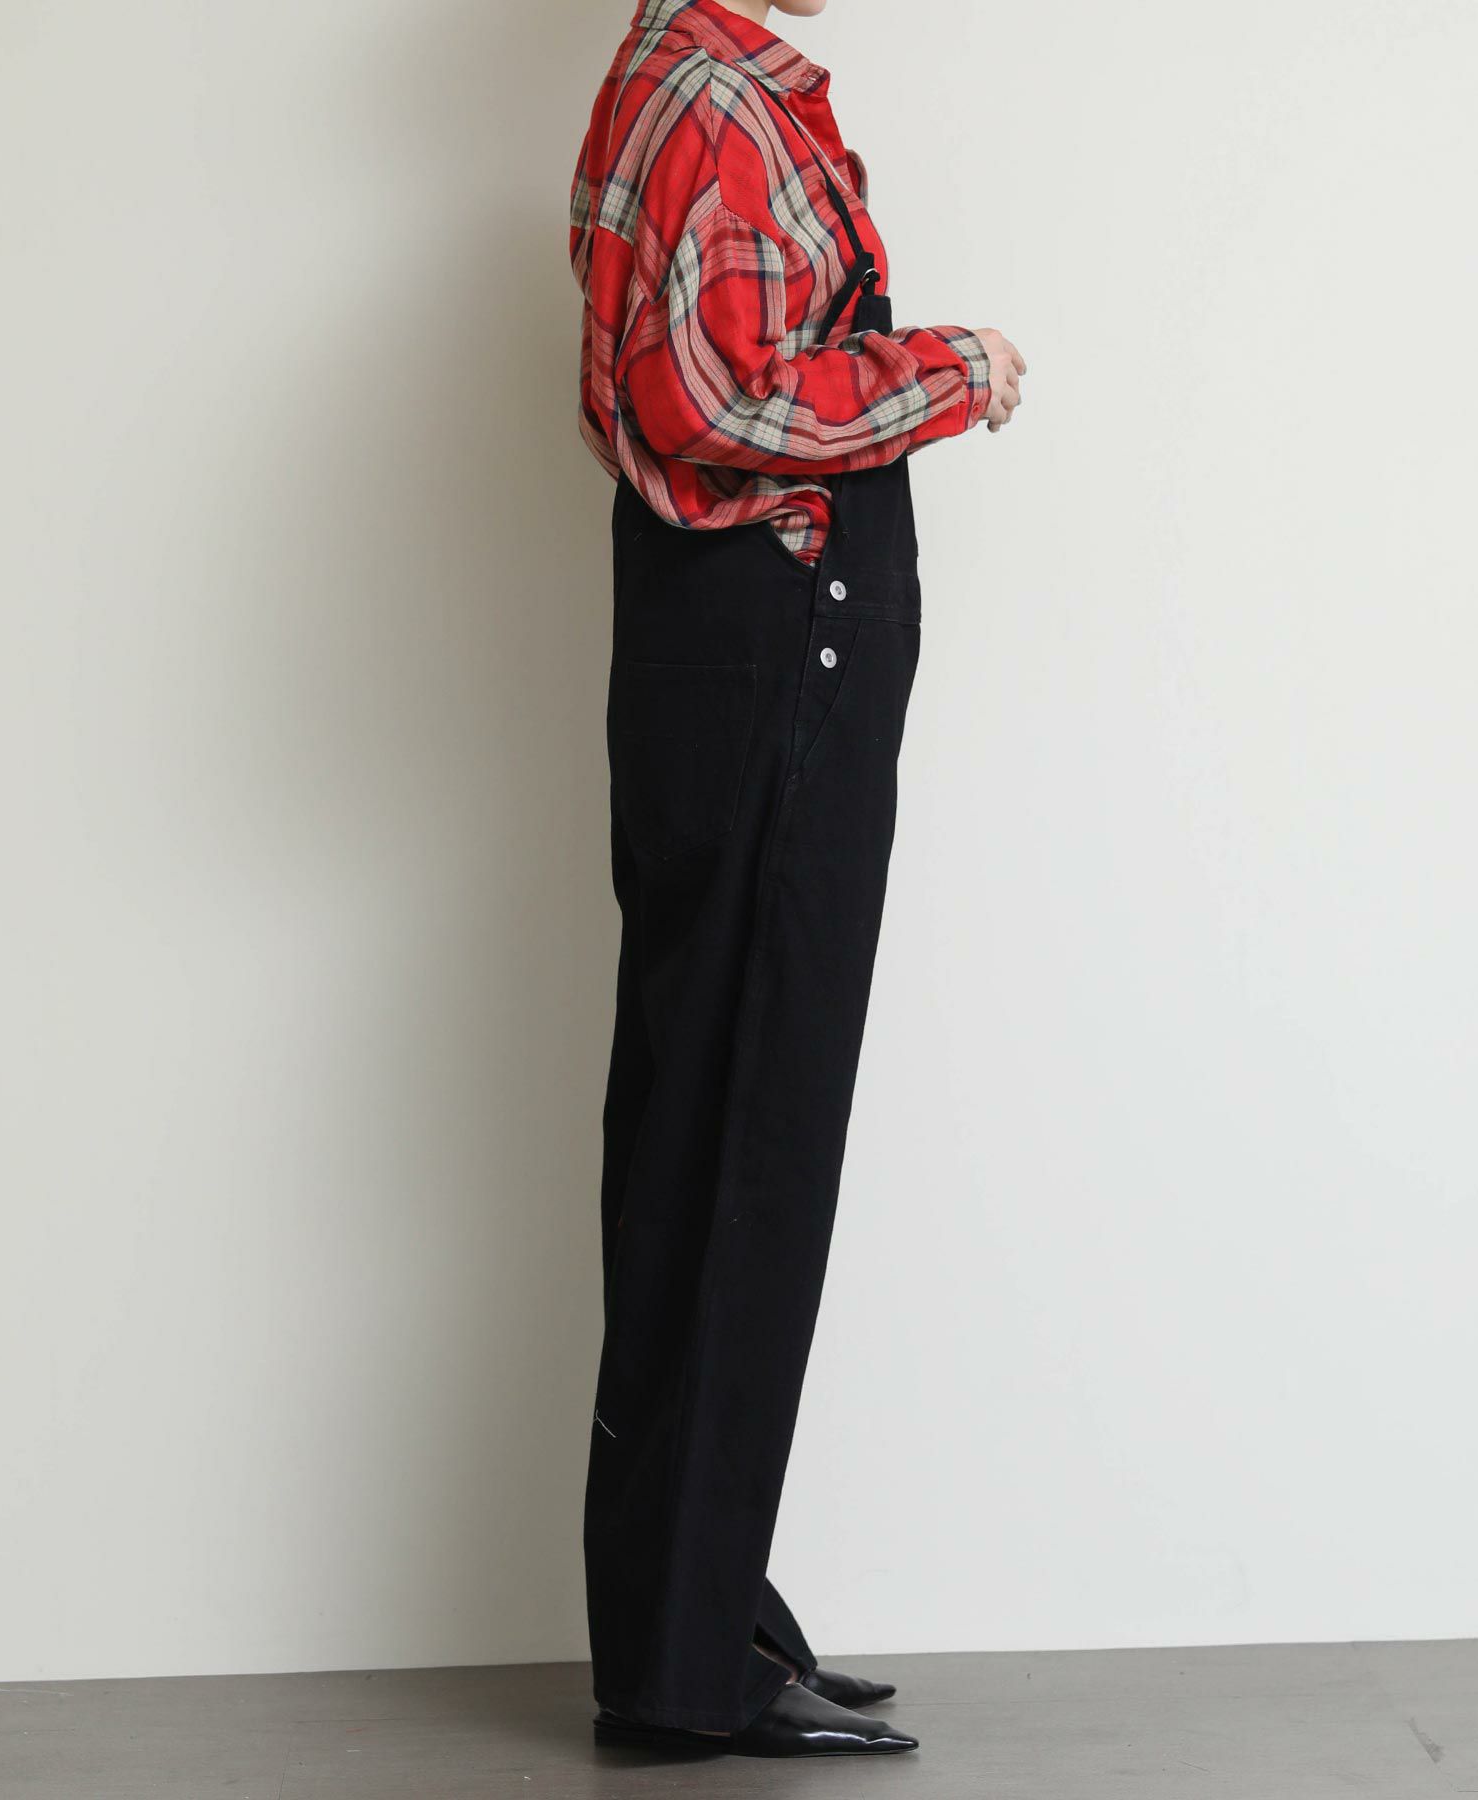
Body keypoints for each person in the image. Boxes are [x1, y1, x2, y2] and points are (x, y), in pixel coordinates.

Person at [569, 0, 1025, 1759]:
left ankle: (695, 1615)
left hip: (744, 648)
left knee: (707, 1128)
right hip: (773, 647)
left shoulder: (702, 77)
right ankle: (686, 1669)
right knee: (744, 1138)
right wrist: (949, 371)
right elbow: (711, 392)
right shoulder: (713, 96)